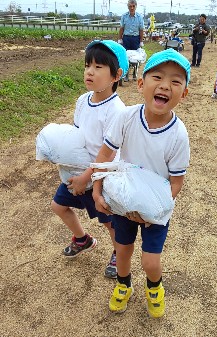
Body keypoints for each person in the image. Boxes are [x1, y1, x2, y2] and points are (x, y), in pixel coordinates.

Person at [92, 49, 190, 318]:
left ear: (184, 93)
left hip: (155, 209)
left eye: (176, 81)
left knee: (150, 261)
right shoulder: (126, 118)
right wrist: (97, 191)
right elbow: (105, 156)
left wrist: (151, 213)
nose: (165, 85)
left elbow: (176, 182)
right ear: (140, 84)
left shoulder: (178, 136)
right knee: (122, 251)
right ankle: (124, 285)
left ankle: (154, 286)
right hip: (122, 202)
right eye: (157, 76)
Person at [51, 40, 129, 278]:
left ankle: (118, 253)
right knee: (59, 206)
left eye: (98, 67)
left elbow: (109, 152)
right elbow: (76, 135)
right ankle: (82, 239)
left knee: (108, 221)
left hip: (101, 177)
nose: (89, 71)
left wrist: (87, 178)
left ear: (116, 75)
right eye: (87, 65)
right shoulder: (82, 101)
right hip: (79, 170)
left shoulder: (117, 110)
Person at [118, 0, 145, 81]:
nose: (132, 8)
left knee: (135, 57)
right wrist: (120, 39)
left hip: (135, 39)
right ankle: (126, 74)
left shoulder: (140, 17)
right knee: (126, 57)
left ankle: (134, 73)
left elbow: (141, 30)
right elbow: (121, 28)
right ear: (128, 7)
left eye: (133, 6)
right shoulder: (124, 16)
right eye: (130, 6)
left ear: (136, 6)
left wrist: (141, 41)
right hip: (126, 38)